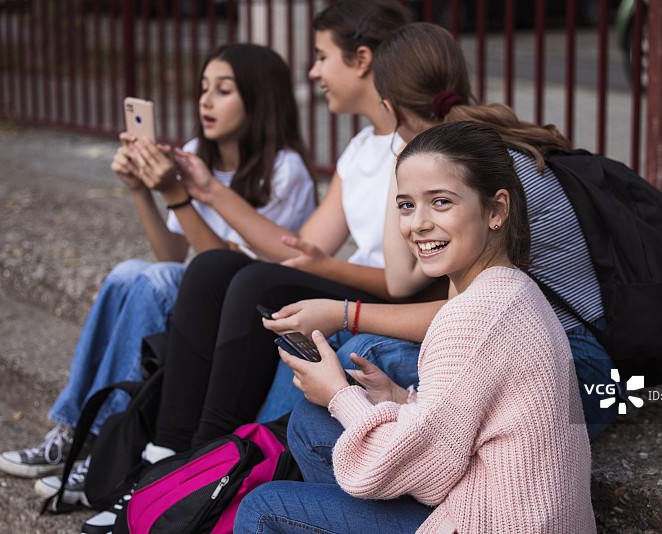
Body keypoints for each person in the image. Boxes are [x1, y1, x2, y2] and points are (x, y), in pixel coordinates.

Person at [257, 22, 617, 438]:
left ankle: (254, 462)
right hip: (546, 355)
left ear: (389, 110)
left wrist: (343, 314)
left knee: (362, 353)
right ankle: (251, 455)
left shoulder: (481, 171)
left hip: (576, 370)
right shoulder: (474, 156)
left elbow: (461, 312)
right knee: (343, 347)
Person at [235, 121, 597, 534]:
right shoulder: (519, 291)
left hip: (490, 521)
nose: (417, 224)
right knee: (307, 422)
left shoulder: (473, 317)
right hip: (531, 512)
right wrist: (397, 398)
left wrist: (338, 394)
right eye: (406, 205)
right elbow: (471, 421)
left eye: (440, 202)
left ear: (496, 210)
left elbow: (429, 465)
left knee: (261, 509)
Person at [0, 43, 316, 506]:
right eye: (203, 88)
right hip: (198, 298)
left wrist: (179, 195)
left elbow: (227, 272)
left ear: (259, 99)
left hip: (235, 312)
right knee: (132, 272)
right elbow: (170, 251)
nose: (205, 101)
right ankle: (72, 428)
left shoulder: (285, 172)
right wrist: (142, 191)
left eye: (223, 90)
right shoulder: (191, 155)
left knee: (151, 279)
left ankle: (106, 442)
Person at [139, 0, 414, 462]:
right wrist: (207, 191)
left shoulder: (417, 146)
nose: (312, 71)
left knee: (254, 280)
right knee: (213, 267)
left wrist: (325, 268)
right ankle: (165, 449)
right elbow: (300, 250)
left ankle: (209, 458)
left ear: (362, 60)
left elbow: (397, 280)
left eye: (322, 56)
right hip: (358, 283)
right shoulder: (361, 146)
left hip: (389, 300)